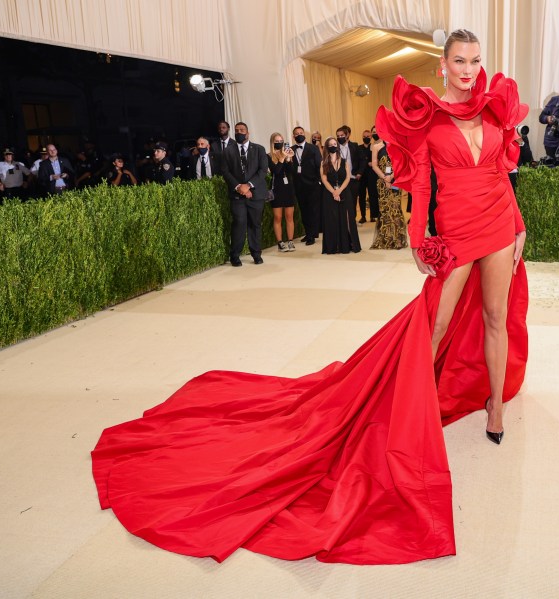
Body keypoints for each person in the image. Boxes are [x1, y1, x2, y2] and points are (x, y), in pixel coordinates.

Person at [91, 28, 527, 566]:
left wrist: (519, 224)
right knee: (432, 328)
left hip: (499, 223)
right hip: (457, 231)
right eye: (459, 61)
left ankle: (495, 411)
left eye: (475, 60)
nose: (468, 69)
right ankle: (410, 407)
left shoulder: (492, 110)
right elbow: (420, 186)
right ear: (442, 65)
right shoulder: (428, 118)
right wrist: (419, 240)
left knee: (494, 317)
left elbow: (505, 174)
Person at [218, 122, 268, 266]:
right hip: (237, 195)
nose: (239, 132)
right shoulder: (228, 151)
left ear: (248, 133)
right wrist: (238, 186)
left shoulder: (259, 149)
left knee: (255, 224)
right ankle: (235, 256)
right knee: (239, 223)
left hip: (256, 194)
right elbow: (225, 172)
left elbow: (262, 171)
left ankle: (256, 254)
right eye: (236, 130)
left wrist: (249, 186)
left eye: (242, 130)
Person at [368, 124, 408, 249]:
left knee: (395, 207)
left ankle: (397, 239)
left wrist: (392, 176)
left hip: (396, 181)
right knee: (385, 209)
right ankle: (386, 238)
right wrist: (384, 177)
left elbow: (401, 163)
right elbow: (374, 165)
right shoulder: (376, 147)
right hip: (382, 182)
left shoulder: (396, 144)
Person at [319, 136, 361, 254]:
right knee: (332, 219)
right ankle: (334, 246)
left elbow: (348, 177)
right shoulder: (323, 163)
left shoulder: (344, 161)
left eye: (335, 144)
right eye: (331, 144)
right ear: (327, 147)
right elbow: (324, 179)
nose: (333, 146)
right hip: (329, 194)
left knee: (347, 218)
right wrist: (333, 191)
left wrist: (339, 191)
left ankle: (350, 245)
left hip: (344, 192)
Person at [292, 126, 323, 245]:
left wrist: (318, 181)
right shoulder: (291, 149)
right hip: (298, 185)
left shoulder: (313, 148)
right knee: (303, 210)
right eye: (296, 133)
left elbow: (319, 164)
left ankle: (312, 235)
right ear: (293, 136)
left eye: (301, 133)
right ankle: (308, 232)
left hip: (312, 184)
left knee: (313, 210)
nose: (299, 134)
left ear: (304, 134)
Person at [267, 132, 297, 252]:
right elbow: (276, 171)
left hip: (288, 189)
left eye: (281, 141)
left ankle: (290, 241)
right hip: (277, 189)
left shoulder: (287, 154)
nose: (279, 143)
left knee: (289, 216)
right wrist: (282, 158)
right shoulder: (268, 156)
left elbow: (291, 172)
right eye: (277, 141)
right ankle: (280, 242)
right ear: (273, 143)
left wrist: (289, 158)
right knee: (278, 217)